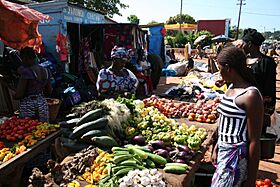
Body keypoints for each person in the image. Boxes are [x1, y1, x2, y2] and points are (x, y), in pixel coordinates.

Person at [211, 46, 264, 187]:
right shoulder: (230, 88)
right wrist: (217, 145)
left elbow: (254, 141)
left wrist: (251, 180)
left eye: (219, 67)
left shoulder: (250, 95)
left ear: (228, 68)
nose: (219, 72)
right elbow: (224, 122)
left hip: (236, 157)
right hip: (224, 152)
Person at [14, 47, 52, 122]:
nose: (22, 62)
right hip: (42, 104)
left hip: (28, 105)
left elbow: (19, 94)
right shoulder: (46, 71)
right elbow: (49, 91)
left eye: (23, 59)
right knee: (44, 129)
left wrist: (14, 95)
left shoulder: (26, 72)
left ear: (26, 58)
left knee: (28, 129)